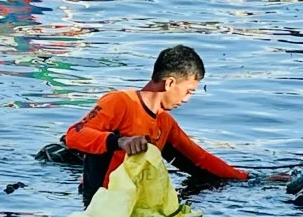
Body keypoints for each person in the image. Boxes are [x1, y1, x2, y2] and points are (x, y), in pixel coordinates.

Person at [63, 45, 249, 206]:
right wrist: (120, 142)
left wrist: (247, 179)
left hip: (135, 204)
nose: (187, 99)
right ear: (169, 83)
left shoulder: (164, 122)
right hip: (100, 202)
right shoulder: (119, 102)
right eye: (188, 91)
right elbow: (74, 135)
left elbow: (200, 160)